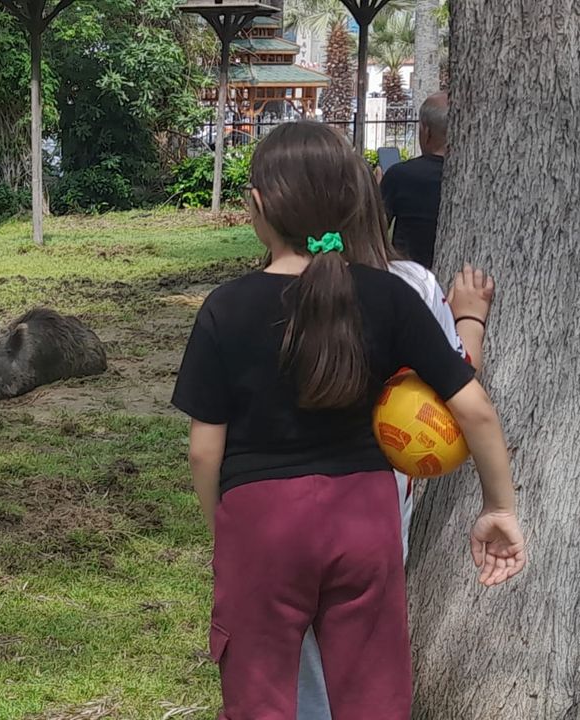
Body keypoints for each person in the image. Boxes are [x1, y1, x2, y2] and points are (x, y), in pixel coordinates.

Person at [173, 121, 526, 719]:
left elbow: (204, 451)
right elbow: (475, 409)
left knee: (261, 697)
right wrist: (499, 507)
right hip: (365, 514)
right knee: (372, 694)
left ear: (258, 205)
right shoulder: (390, 294)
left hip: (263, 520)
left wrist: (225, 528)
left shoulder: (224, 307)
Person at [295, 154, 496, 720]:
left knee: (300, 643)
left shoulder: (272, 286)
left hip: (284, 495)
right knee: (361, 638)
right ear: (373, 203)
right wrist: (470, 318)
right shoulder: (409, 282)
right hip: (378, 498)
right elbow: (454, 386)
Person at [381, 92, 448, 269]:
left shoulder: (400, 176)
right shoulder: (473, 179)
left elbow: (375, 230)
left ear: (426, 132)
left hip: (407, 274)